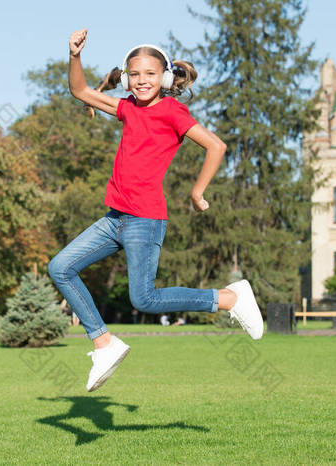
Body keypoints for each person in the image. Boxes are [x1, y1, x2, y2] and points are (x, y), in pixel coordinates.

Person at [48, 29, 263, 392]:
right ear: (127, 79)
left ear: (163, 78)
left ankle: (229, 298)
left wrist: (198, 191)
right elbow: (81, 91)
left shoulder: (173, 112)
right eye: (135, 75)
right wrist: (74, 56)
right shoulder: (127, 108)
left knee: (143, 298)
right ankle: (103, 342)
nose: (142, 80)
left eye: (150, 74)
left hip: (145, 220)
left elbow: (216, 146)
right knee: (60, 267)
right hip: (114, 218)